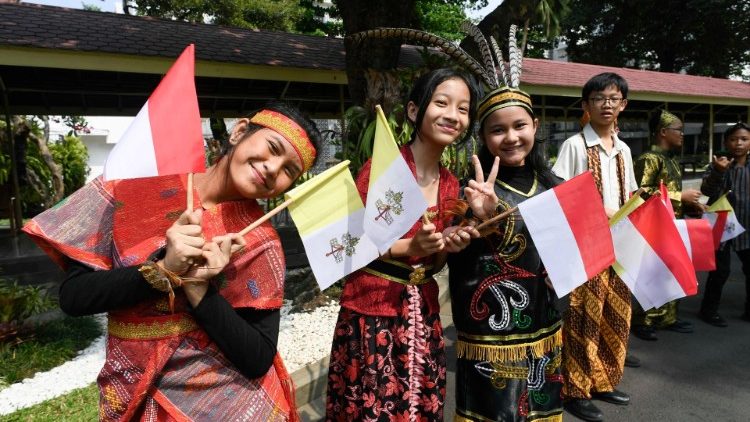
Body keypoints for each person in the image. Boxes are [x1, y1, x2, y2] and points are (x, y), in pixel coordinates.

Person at [22, 103, 321, 421]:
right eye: (273, 148)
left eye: (290, 170)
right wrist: (163, 269)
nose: (274, 168)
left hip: (223, 408)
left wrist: (198, 287)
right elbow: (74, 296)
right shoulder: (134, 187)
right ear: (240, 131)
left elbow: (258, 357)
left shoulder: (261, 243)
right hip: (128, 387)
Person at [325, 68, 480, 421]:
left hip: (423, 317)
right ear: (414, 111)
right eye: (442, 103)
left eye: (463, 108)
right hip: (371, 314)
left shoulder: (451, 184)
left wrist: (445, 247)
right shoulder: (383, 169)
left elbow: (434, 262)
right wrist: (408, 247)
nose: (453, 115)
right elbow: (349, 242)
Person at [448, 84, 564, 421]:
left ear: (536, 126)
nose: (511, 137)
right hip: (491, 336)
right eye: (498, 129)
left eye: (519, 126)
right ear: (483, 137)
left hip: (545, 326)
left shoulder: (555, 185)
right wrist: (477, 217)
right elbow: (455, 253)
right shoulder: (468, 192)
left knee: (541, 410)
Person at [551, 72, 637, 422]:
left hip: (618, 247)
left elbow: (629, 194)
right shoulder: (575, 146)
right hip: (584, 248)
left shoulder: (624, 149)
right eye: (599, 98)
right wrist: (594, 211)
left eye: (613, 98)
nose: (607, 104)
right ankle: (575, 389)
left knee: (614, 316)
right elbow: (560, 196)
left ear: (623, 105)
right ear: (586, 105)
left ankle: (603, 380)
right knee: (582, 318)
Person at [630, 109, 704, 340]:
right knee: (651, 272)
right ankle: (643, 320)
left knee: (671, 271)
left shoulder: (670, 159)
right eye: (679, 130)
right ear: (663, 132)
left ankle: (666, 317)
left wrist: (691, 205)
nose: (683, 134)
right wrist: (679, 196)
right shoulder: (648, 159)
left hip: (672, 224)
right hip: (653, 228)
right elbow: (640, 193)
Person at [699, 122, 750, 327]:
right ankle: (709, 311)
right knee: (720, 271)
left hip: (747, 226)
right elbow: (707, 191)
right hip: (722, 226)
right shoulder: (716, 164)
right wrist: (719, 171)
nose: (738, 143)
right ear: (726, 142)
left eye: (744, 139)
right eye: (733, 139)